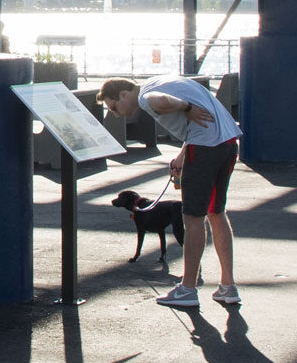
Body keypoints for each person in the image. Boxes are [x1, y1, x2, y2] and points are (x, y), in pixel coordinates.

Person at [97, 75, 241, 309]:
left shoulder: (145, 97)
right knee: (216, 212)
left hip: (204, 148)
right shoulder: (160, 80)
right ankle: (228, 286)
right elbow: (194, 118)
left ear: (124, 95)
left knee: (193, 218)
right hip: (226, 142)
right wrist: (183, 155)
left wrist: (187, 108)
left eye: (114, 107)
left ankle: (188, 290)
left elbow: (161, 101)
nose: (116, 114)